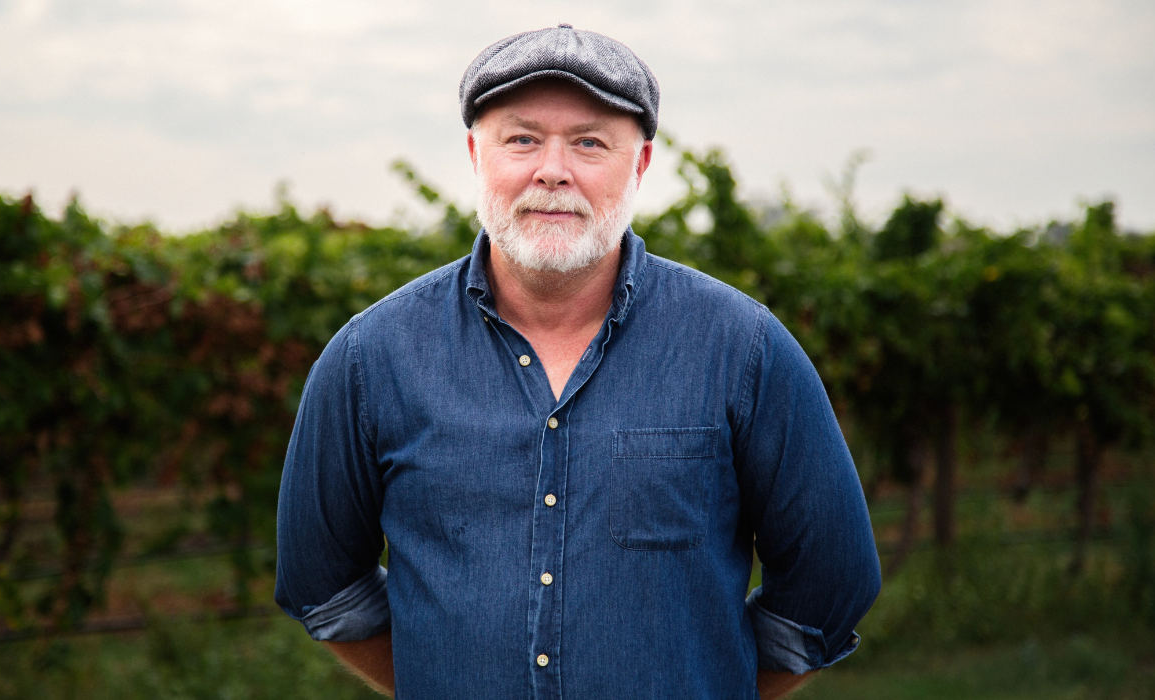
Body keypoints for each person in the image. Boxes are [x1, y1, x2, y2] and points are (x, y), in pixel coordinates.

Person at [274, 25, 880, 700]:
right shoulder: (370, 359)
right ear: (478, 155)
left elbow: (832, 585)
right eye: (523, 138)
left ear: (641, 165)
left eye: (589, 142)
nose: (553, 169)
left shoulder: (745, 350)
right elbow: (323, 586)